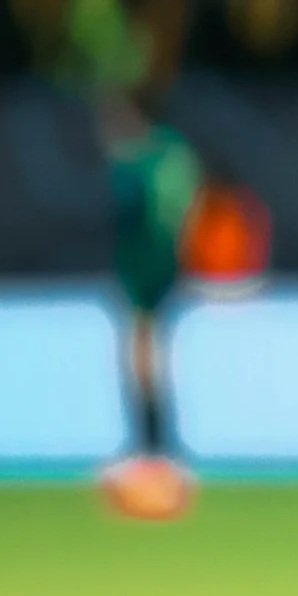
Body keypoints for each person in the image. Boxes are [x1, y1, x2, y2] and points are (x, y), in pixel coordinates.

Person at [96, 92, 200, 519]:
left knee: (144, 361)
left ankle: (154, 452)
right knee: (149, 359)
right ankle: (156, 452)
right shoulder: (175, 155)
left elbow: (143, 216)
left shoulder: (141, 164)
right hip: (160, 271)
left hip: (150, 273)